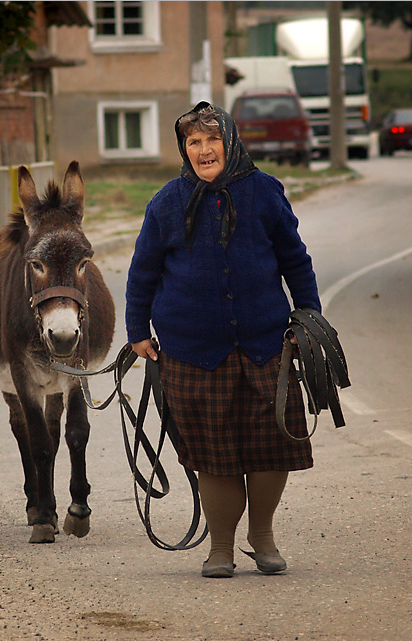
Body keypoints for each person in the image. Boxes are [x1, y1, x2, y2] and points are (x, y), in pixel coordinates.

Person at [125, 101, 322, 578]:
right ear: (185, 149)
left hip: (265, 345)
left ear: (231, 142)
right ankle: (221, 549)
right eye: (194, 141)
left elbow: (295, 261)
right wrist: (137, 332)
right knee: (214, 456)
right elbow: (142, 273)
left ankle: (263, 536)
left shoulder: (264, 191)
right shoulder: (166, 202)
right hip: (192, 352)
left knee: (272, 445)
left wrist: (308, 320)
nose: (204, 149)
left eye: (212, 138)